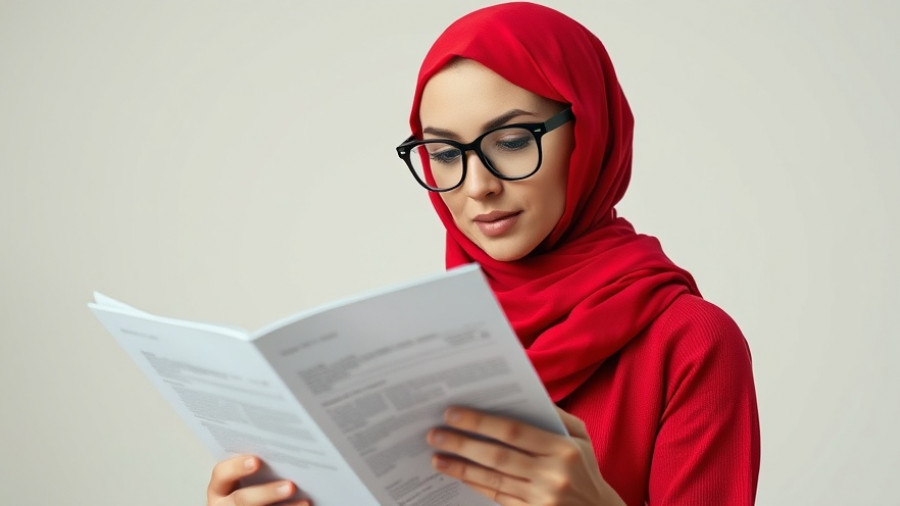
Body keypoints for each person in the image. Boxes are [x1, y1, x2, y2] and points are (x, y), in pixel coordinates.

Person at [206, 3, 760, 505]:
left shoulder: (690, 343)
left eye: (514, 141)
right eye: (444, 153)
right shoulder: (406, 345)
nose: (476, 187)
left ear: (590, 131)